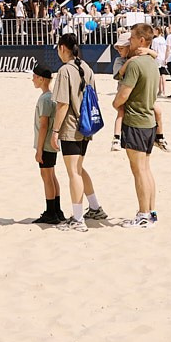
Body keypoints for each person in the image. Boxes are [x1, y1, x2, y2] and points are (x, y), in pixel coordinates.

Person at [49, 31, 109, 231]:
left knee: (73, 172)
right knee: (79, 168)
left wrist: (55, 131)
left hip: (71, 127)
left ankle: (77, 218)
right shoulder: (86, 67)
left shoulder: (65, 70)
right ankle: (94, 206)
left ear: (62, 48)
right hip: (86, 125)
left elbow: (62, 104)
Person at [111, 22, 163, 227]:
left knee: (139, 171)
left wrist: (115, 102)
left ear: (142, 40)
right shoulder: (152, 62)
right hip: (149, 121)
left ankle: (143, 215)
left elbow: (122, 96)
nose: (130, 41)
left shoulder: (135, 64)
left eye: (132, 38)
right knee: (146, 169)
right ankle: (150, 212)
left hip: (135, 121)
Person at [29, 53, 64, 225]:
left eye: (35, 77)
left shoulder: (45, 99)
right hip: (52, 143)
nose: (33, 80)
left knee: (46, 176)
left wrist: (39, 149)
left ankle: (51, 212)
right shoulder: (51, 97)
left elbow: (43, 125)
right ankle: (57, 210)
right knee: (52, 175)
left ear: (42, 79)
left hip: (46, 144)